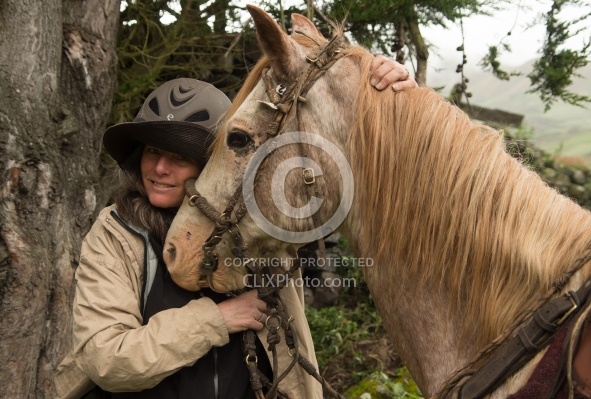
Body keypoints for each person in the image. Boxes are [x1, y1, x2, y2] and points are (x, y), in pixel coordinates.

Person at [54, 57, 416, 399]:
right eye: (152, 152)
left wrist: (385, 94)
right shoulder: (117, 232)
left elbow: (360, 169)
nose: (160, 168)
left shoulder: (261, 225)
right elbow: (108, 359)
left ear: (214, 165)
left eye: (180, 156)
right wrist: (219, 319)